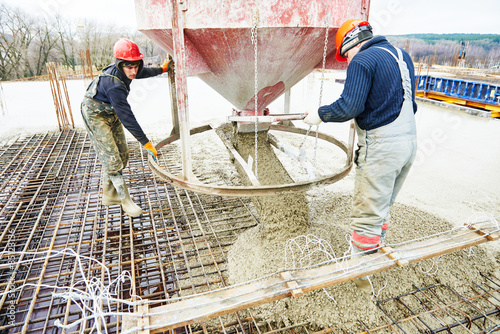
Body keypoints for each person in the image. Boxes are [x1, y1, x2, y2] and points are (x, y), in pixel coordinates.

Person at [303, 19, 418, 290]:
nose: (347, 61)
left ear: (351, 43)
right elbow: (411, 105)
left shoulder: (362, 61)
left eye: (345, 55)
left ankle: (360, 282)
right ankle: (374, 258)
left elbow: (349, 106)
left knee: (367, 216)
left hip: (382, 148)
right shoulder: (402, 56)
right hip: (409, 145)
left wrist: (320, 114)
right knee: (382, 208)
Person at [81, 38, 173, 217]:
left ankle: (109, 194)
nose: (133, 71)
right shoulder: (114, 85)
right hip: (95, 114)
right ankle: (124, 200)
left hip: (110, 111)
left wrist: (161, 69)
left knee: (123, 155)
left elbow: (142, 72)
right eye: (129, 67)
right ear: (120, 64)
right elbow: (127, 118)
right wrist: (146, 143)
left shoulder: (129, 70)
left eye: (135, 66)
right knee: (112, 159)